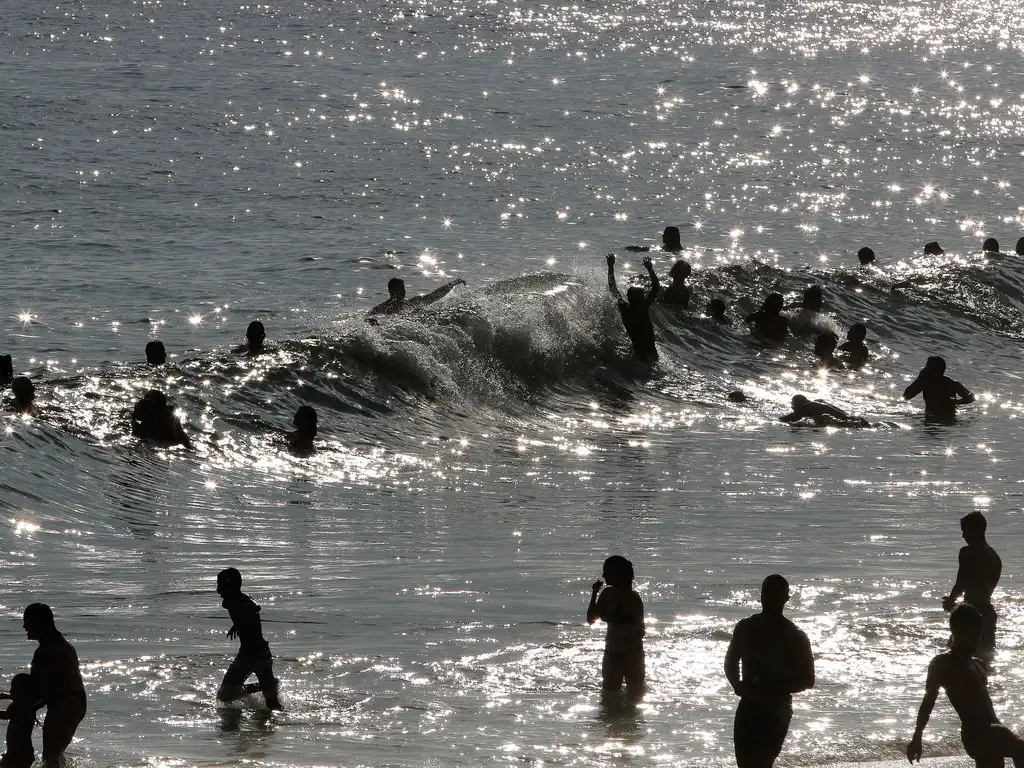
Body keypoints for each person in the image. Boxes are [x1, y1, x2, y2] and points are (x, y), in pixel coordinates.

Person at [906, 604, 1024, 765]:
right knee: (1020, 747)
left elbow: (986, 706)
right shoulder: (943, 663)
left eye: (978, 634)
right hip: (975, 734)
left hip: (993, 729)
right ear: (956, 633)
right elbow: (928, 700)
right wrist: (917, 736)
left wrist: (1002, 730)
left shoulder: (978, 664)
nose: (976, 640)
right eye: (970, 635)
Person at [725, 575, 814, 768]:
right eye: (767, 593)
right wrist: (737, 684)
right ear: (761, 596)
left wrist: (773, 687)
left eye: (776, 593)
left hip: (776, 710)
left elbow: (808, 679)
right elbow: (731, 660)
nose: (771, 598)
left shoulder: (795, 636)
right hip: (748, 705)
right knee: (744, 764)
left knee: (760, 764)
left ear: (786, 599)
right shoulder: (745, 627)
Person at [22, 604, 86, 764]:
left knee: (50, 757)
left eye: (27, 621)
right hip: (76, 703)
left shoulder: (46, 651)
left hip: (63, 705)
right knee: (55, 754)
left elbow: (39, 690)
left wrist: (19, 706)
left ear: (38, 623)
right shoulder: (63, 645)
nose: (24, 626)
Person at [216, 568, 283, 711]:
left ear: (231, 586)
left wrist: (238, 623)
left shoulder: (244, 599)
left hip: (260, 654)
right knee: (224, 695)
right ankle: (264, 685)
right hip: (245, 655)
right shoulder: (228, 602)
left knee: (272, 704)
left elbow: (256, 607)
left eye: (220, 585)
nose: (217, 590)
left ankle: (282, 722)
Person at [587, 556, 645, 701]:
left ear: (618, 573)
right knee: (608, 698)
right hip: (611, 653)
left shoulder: (633, 598)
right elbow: (591, 620)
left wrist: (612, 617)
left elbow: (638, 629)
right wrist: (594, 594)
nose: (603, 575)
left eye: (607, 571)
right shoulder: (606, 594)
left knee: (635, 697)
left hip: (631, 654)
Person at [943, 511, 1002, 649]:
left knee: (957, 658)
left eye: (965, 531)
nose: (963, 536)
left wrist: (951, 601)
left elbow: (961, 584)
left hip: (969, 617)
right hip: (988, 614)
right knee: (985, 660)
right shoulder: (995, 557)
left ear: (975, 530)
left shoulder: (967, 552)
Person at [606, 254, 660, 364]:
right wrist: (650, 269)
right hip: (651, 352)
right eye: (643, 295)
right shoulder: (643, 307)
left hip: (637, 353)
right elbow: (656, 287)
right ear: (641, 298)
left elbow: (613, 289)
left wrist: (611, 267)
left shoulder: (625, 310)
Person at [903, 356, 975, 421]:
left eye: (927, 367)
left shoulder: (950, 384)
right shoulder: (925, 383)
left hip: (937, 419)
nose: (924, 369)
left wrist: (956, 402)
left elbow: (971, 397)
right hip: (948, 420)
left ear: (936, 370)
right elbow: (906, 396)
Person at [369, 276, 466, 317]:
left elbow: (433, 296)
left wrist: (452, 284)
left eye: (403, 289)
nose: (403, 292)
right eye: (399, 289)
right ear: (391, 291)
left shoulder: (410, 303)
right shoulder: (380, 309)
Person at [0, 673, 36, 768]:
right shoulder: (29, 705)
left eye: (13, 689)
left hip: (17, 753)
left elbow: (5, 715)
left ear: (23, 692)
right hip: (23, 753)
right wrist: (8, 696)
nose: (10, 690)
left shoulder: (17, 706)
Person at [780, 395, 868, 427]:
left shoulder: (816, 407)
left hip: (835, 414)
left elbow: (843, 416)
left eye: (795, 408)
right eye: (793, 408)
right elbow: (784, 419)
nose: (794, 410)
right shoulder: (800, 412)